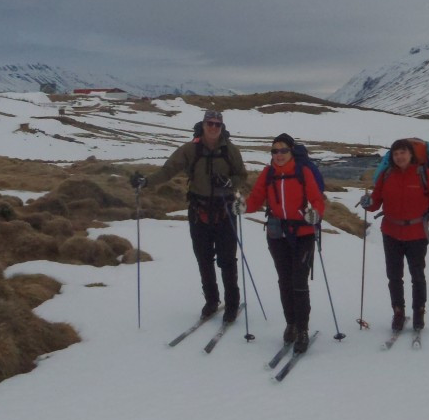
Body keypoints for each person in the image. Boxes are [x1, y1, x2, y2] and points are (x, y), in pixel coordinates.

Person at [130, 110, 247, 323]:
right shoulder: (189, 150)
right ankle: (211, 301)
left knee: (227, 260)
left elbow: (242, 175)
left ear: (222, 127)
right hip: (198, 211)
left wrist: (231, 183)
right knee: (204, 259)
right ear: (202, 125)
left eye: (217, 124)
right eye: (209, 123)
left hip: (225, 212)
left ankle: (232, 304)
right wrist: (145, 182)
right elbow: (168, 171)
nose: (213, 127)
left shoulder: (231, 151)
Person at [359, 138, 429, 332]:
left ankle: (419, 311)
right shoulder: (386, 175)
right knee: (394, 276)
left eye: (403, 152)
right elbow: (376, 202)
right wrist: (368, 202)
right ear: (392, 157)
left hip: (417, 233)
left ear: (411, 155)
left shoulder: (425, 174)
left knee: (417, 275)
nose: (399, 156)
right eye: (396, 154)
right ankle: (398, 312)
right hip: (391, 232)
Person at [242, 133, 325, 353]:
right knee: (285, 280)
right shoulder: (268, 173)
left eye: (283, 150)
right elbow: (257, 197)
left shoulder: (302, 171)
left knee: (299, 280)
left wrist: (316, 214)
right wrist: (243, 207)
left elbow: (317, 198)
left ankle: (302, 328)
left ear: (291, 152)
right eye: (274, 151)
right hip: (277, 233)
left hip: (303, 232)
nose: (278, 155)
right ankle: (291, 323)